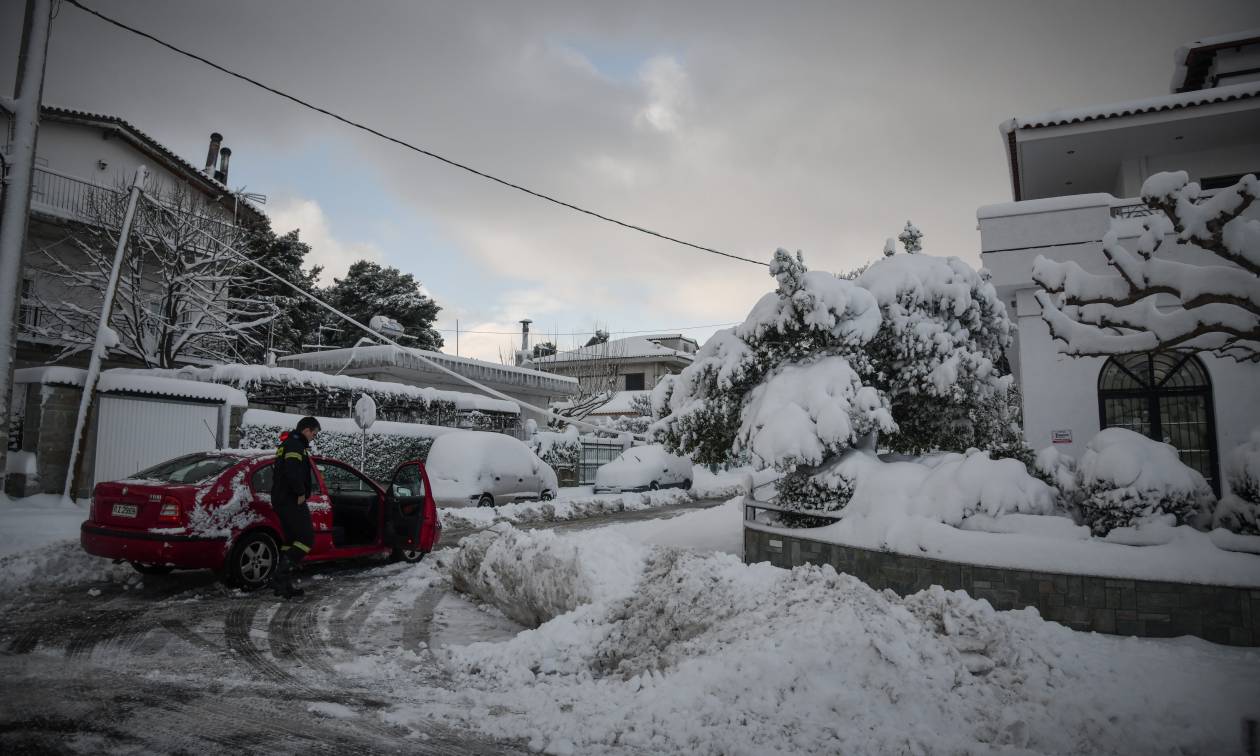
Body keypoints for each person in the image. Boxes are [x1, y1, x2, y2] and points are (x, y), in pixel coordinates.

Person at [270, 416, 320, 598]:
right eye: (313, 434)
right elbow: (292, 472)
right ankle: (278, 577)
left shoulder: (288, 444)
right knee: (306, 539)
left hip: (282, 499)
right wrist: (300, 492)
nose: (313, 438)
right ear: (306, 430)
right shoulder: (294, 445)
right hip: (290, 499)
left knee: (290, 541)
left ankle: (283, 585)